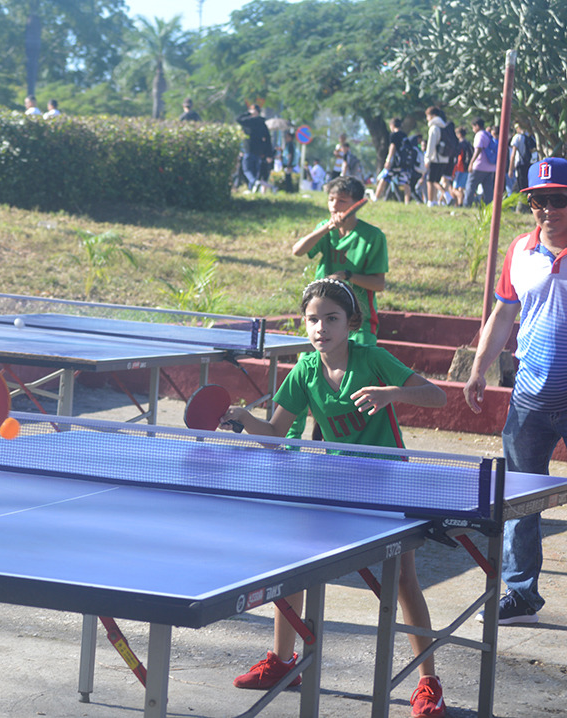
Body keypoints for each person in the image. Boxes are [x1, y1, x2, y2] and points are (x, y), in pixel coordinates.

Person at [223, 278, 448, 718]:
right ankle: (284, 663)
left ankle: (428, 684)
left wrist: (393, 393)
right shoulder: (305, 370)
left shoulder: (372, 358)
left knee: (402, 580)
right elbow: (275, 434)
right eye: (313, 319)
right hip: (334, 482)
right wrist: (244, 418)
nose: (321, 327)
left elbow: (436, 395)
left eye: (331, 318)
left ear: (350, 323)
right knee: (296, 568)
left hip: (387, 482)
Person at [463, 157, 567, 626]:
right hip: (528, 398)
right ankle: (521, 593)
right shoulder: (519, 252)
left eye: (558, 199)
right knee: (521, 500)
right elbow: (503, 315)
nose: (547, 209)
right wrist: (480, 367)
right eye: (538, 201)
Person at [292, 176, 386, 346]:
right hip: (322, 314)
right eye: (331, 199)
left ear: (357, 204)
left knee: (358, 362)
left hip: (357, 320)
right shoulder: (325, 229)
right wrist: (326, 228)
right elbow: (298, 251)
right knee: (308, 363)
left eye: (342, 201)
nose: (334, 206)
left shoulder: (373, 236)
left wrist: (347, 276)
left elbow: (378, 284)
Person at [373, 119, 413, 203]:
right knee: (406, 182)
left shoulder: (394, 135)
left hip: (395, 163)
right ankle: (407, 202)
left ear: (392, 125)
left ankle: (376, 198)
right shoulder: (404, 135)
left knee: (384, 179)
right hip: (403, 163)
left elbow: (392, 147)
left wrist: (388, 160)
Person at [236, 104, 272, 192]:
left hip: (249, 150)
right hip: (259, 152)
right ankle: (252, 189)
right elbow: (268, 140)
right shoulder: (262, 123)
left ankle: (254, 182)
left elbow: (238, 119)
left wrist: (247, 113)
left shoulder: (249, 121)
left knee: (247, 170)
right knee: (255, 171)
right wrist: (269, 154)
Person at [423, 107, 453, 206]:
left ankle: (431, 201)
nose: (427, 118)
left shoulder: (434, 128)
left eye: (427, 116)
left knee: (430, 181)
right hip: (444, 158)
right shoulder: (444, 127)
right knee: (436, 180)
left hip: (435, 158)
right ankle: (436, 200)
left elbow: (431, 145)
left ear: (432, 115)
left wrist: (427, 158)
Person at [464, 117, 497, 207]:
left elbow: (478, 150)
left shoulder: (479, 135)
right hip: (490, 167)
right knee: (488, 189)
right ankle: (489, 207)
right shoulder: (488, 135)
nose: (473, 129)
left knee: (470, 186)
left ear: (477, 126)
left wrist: (471, 163)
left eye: (473, 127)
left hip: (479, 166)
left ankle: (467, 205)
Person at [449, 126, 474, 208]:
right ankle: (459, 204)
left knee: (454, 189)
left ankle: (459, 203)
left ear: (459, 134)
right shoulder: (468, 143)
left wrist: (454, 169)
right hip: (467, 168)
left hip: (460, 168)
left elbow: (458, 158)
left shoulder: (460, 144)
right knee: (461, 188)